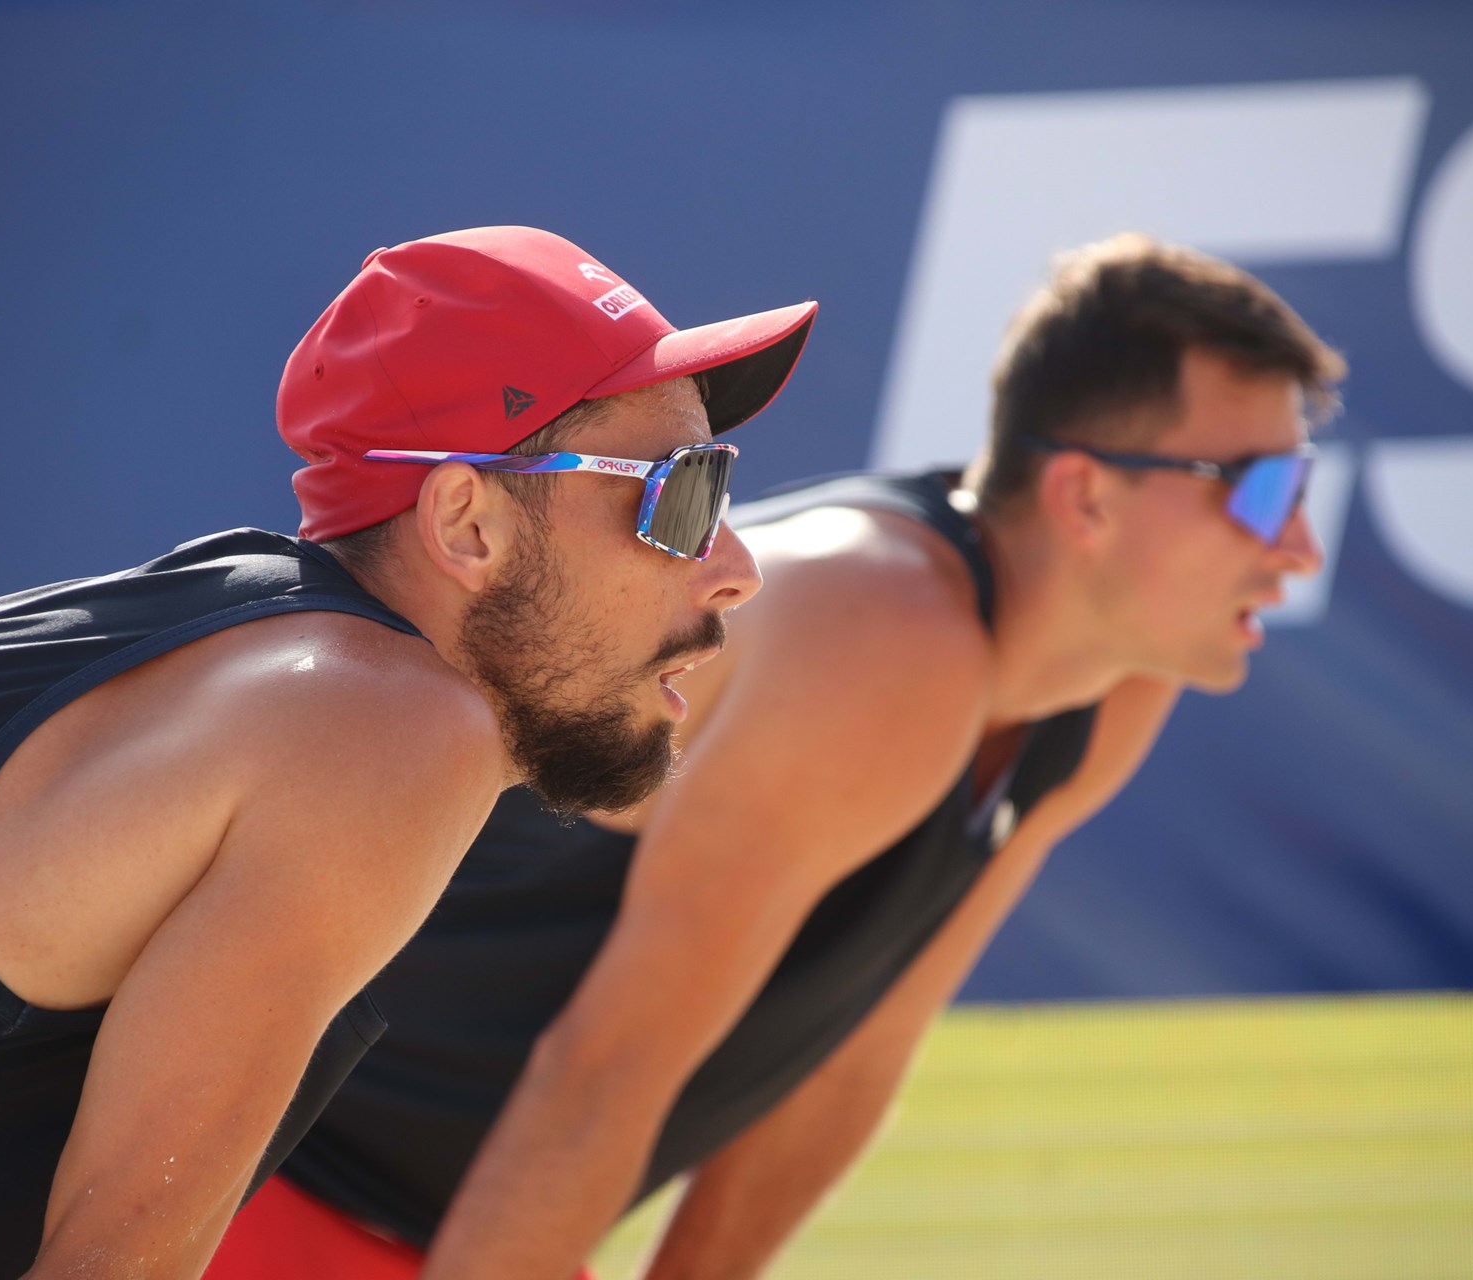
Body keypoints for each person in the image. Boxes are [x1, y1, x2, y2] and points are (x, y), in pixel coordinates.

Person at [203, 233, 1346, 1280]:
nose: (1299, 544)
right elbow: (597, 1079)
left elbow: (848, 1050)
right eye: (1260, 489)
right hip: (254, 1187)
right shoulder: (887, 635)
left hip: (437, 1220)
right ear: (1085, 493)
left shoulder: (1115, 684)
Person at [0, 225, 816, 1280]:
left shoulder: (278, 667)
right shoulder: (375, 721)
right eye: (682, 497)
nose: (738, 568)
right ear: (467, 523)